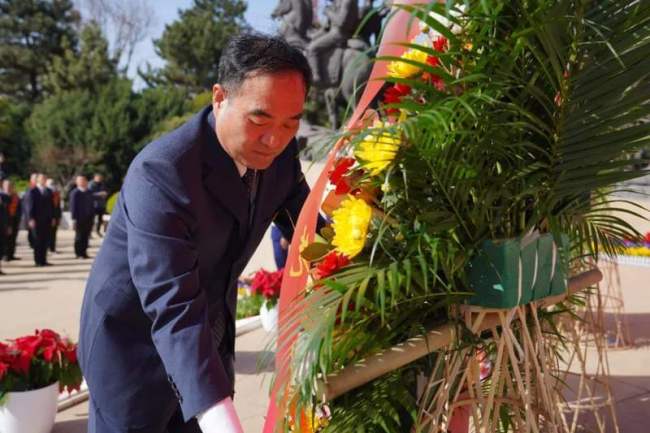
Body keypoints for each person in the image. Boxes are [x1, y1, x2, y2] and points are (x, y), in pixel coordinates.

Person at [78, 34, 317, 433]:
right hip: (133, 353)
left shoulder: (280, 155)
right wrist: (220, 419)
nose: (274, 139)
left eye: (290, 123)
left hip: (207, 345)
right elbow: (172, 303)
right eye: (259, 120)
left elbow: (311, 232)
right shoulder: (162, 172)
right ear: (220, 97)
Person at [25, 173, 54, 266]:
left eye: (45, 178)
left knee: (45, 240)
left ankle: (43, 260)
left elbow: (51, 206)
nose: (43, 180)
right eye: (41, 178)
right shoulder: (32, 191)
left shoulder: (49, 191)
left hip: (47, 220)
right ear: (37, 180)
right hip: (36, 220)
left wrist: (53, 217)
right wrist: (30, 218)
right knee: (37, 240)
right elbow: (29, 206)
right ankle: (38, 261)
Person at [69, 175, 95, 259]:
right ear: (77, 182)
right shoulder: (75, 193)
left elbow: (92, 205)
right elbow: (73, 207)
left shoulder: (89, 192)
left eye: (84, 180)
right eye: (80, 180)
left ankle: (84, 252)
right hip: (79, 218)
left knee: (86, 236)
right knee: (79, 236)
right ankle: (78, 253)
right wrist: (73, 219)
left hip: (89, 218)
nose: (82, 182)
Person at [2, 179, 21, 261]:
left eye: (10, 185)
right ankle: (5, 255)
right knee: (6, 238)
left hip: (14, 220)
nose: (9, 187)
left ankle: (11, 254)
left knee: (13, 238)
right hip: (5, 221)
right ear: (3, 186)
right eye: (7, 185)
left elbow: (19, 207)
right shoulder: (2, 196)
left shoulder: (15, 196)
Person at [46, 178, 62, 253]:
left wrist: (59, 217)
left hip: (56, 216)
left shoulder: (56, 194)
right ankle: (47, 247)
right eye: (51, 184)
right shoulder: (46, 194)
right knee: (47, 233)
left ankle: (52, 248)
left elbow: (58, 207)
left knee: (53, 233)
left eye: (53, 183)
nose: (52, 185)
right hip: (48, 217)